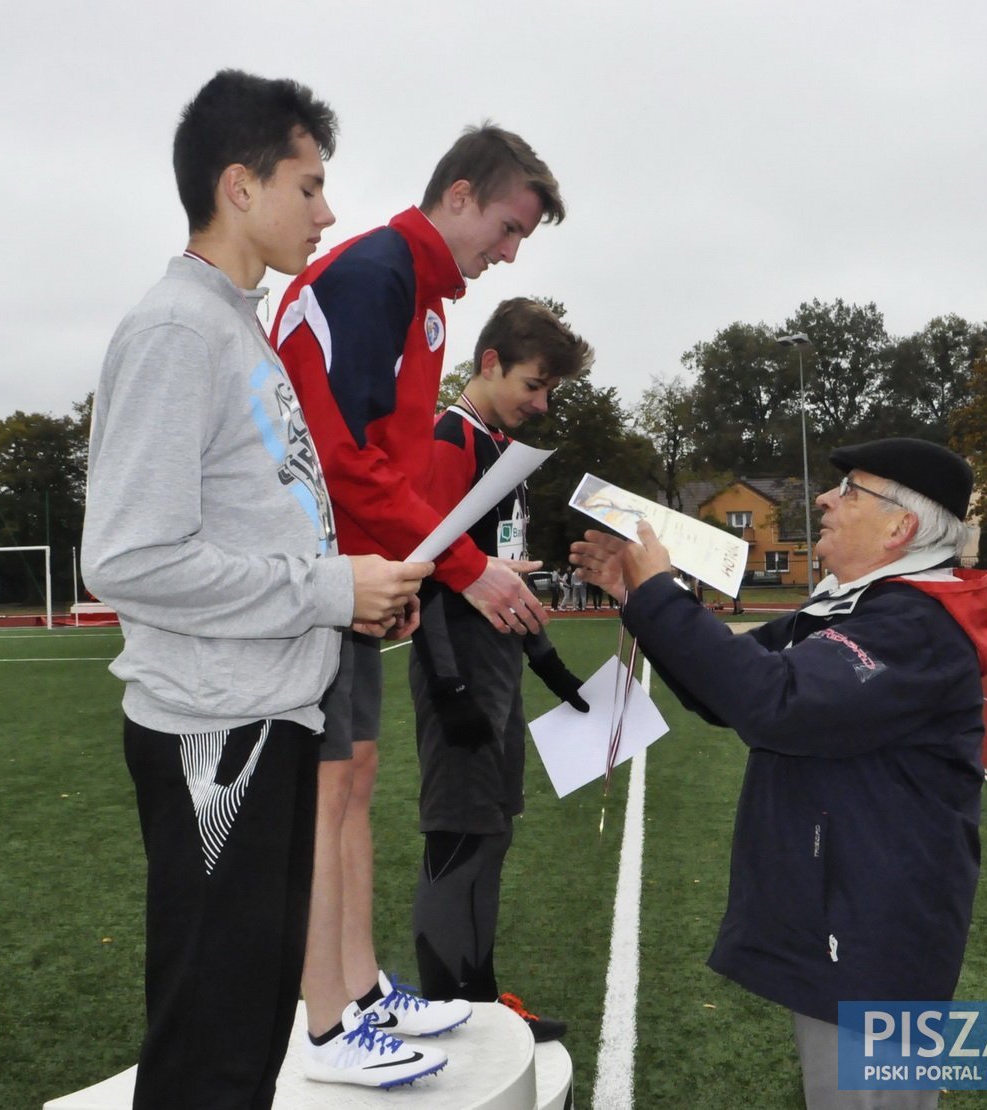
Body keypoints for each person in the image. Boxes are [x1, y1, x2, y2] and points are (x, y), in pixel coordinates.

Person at [80, 70, 437, 1108]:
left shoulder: (238, 327)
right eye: (310, 184)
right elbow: (129, 559)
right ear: (240, 186)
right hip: (213, 734)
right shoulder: (175, 330)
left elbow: (260, 520)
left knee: (244, 1034)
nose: (327, 212)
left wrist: (360, 592)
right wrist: (331, 588)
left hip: (267, 715)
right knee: (211, 1049)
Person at [572, 437, 987, 1110]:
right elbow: (728, 690)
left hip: (873, 943)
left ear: (901, 528)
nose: (825, 499)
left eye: (851, 490)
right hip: (847, 919)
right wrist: (637, 595)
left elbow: (772, 703)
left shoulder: (913, 623)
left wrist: (659, 592)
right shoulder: (858, 607)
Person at [272, 123, 564, 1085]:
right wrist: (458, 568)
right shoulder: (380, 272)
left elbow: (377, 465)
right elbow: (339, 451)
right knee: (325, 792)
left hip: (353, 572)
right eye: (510, 226)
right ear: (462, 194)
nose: (511, 252)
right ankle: (324, 1026)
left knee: (354, 779)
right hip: (309, 570)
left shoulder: (427, 301)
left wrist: (402, 569)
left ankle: (358, 988)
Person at [410, 297, 594, 1039]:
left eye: (550, 390)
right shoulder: (451, 439)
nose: (542, 403)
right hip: (457, 670)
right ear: (489, 364)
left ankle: (480, 1001)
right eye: (533, 384)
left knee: (492, 833)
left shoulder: (501, 447)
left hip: (496, 670)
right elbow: (422, 568)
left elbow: (500, 576)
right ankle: (445, 1009)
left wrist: (552, 670)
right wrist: (448, 683)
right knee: (457, 835)